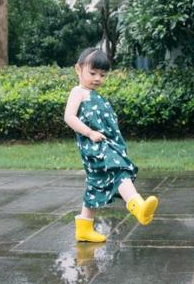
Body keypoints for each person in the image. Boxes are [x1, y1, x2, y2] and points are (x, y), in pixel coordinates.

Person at [64, 47, 158, 242]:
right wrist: (89, 132)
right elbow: (69, 117)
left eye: (102, 74)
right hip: (94, 144)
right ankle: (137, 206)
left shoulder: (97, 95)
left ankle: (84, 228)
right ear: (78, 69)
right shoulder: (78, 92)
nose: (97, 78)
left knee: (95, 183)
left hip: (106, 143)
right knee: (119, 170)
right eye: (92, 73)